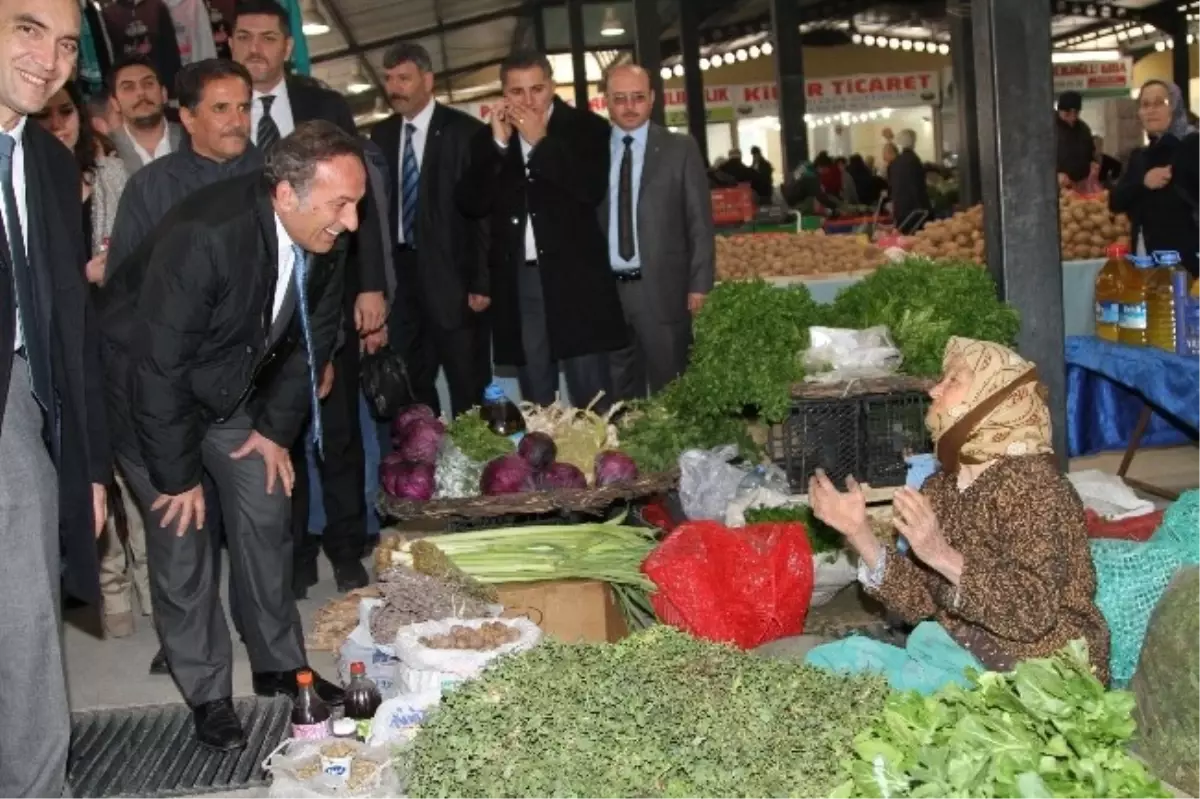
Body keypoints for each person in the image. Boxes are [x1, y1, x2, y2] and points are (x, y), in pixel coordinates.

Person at [99, 121, 356, 750]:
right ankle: (207, 692)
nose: (351, 222)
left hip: (234, 387)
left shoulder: (325, 237)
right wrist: (178, 476)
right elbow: (157, 369)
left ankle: (278, 665)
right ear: (286, 196)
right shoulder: (205, 237)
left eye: (357, 203)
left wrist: (273, 431)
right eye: (340, 204)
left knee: (265, 510)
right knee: (181, 538)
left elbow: (314, 338)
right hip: (147, 395)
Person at [809, 337, 1110, 684]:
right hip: (966, 653)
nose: (935, 391)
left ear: (994, 399)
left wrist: (940, 553)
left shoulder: (1036, 489)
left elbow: (1032, 613)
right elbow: (918, 602)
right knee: (834, 665)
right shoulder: (941, 487)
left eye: (953, 380)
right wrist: (859, 533)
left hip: (1042, 673)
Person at [104, 57, 262, 675]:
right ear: (187, 116)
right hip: (172, 380)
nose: (235, 120)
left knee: (258, 518)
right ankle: (188, 641)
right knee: (185, 525)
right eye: (220, 108)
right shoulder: (154, 188)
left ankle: (258, 628)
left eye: (244, 106)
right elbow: (125, 293)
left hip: (251, 378)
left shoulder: (273, 176)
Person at [232, 0, 388, 595]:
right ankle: (296, 555)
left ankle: (347, 548)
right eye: (244, 37)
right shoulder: (228, 110)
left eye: (267, 37)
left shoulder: (325, 104)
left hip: (328, 288)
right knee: (281, 426)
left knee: (339, 428)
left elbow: (359, 204)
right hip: (261, 303)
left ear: (286, 45)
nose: (255, 49)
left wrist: (370, 284)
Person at [0, 0, 111, 792]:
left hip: (27, 408)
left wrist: (92, 464)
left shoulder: (44, 158)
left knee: (27, 625)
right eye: (27, 29)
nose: (50, 58)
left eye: (66, 43)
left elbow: (74, 323)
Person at [32, 81, 141, 641]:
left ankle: (151, 586)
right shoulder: (28, 176)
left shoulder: (112, 173)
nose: (58, 122)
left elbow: (144, 249)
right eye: (48, 113)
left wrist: (110, 267)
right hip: (63, 349)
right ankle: (111, 588)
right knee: (83, 472)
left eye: (67, 111)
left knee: (133, 471)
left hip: (119, 336)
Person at [457, 50, 625, 411]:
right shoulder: (487, 140)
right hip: (522, 281)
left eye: (537, 89)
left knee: (591, 394)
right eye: (517, 92)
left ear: (552, 86)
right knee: (537, 395)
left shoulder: (588, 128)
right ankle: (543, 465)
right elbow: (471, 203)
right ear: (503, 94)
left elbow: (590, 189)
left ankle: (601, 463)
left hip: (577, 279)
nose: (529, 100)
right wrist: (499, 147)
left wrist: (542, 143)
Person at [370, 41, 490, 418]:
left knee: (466, 380)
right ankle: (427, 460)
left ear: (428, 79)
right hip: (401, 281)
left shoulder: (465, 132)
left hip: (453, 278)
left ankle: (475, 464)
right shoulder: (381, 136)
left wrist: (481, 281)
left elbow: (484, 213)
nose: (395, 88)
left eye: (404, 79)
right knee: (412, 382)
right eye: (389, 79)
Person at [602, 64, 713, 400]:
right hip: (607, 293)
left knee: (672, 388)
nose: (629, 106)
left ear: (652, 99)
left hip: (663, 289)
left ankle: (675, 452)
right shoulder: (593, 151)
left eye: (637, 97)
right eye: (620, 98)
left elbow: (699, 220)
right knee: (619, 396)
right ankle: (625, 451)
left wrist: (700, 284)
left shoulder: (680, 148)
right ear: (606, 102)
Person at [1109, 80, 1200, 277]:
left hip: (1188, 263)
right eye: (1145, 105)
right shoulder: (1139, 157)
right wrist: (1143, 183)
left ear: (1175, 108)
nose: (1151, 110)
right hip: (1148, 261)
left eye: (1160, 103)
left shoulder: (1192, 146)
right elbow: (1116, 201)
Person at [107, 54, 183, 174]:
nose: (141, 92)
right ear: (115, 103)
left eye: (148, 84)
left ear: (164, 94)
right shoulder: (106, 152)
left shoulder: (195, 138)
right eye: (128, 87)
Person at [886, 129, 931, 233]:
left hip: (900, 209)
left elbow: (892, 187)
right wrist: (925, 208)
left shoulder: (895, 162)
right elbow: (917, 187)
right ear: (914, 142)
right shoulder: (914, 160)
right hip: (914, 211)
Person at [1055, 90, 1095, 186]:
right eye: (1067, 113)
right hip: (1055, 188)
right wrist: (1054, 175)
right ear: (1059, 110)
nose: (1072, 118)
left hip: (1081, 186)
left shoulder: (1084, 129)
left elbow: (1091, 154)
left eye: (1076, 113)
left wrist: (1093, 165)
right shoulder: (1047, 129)